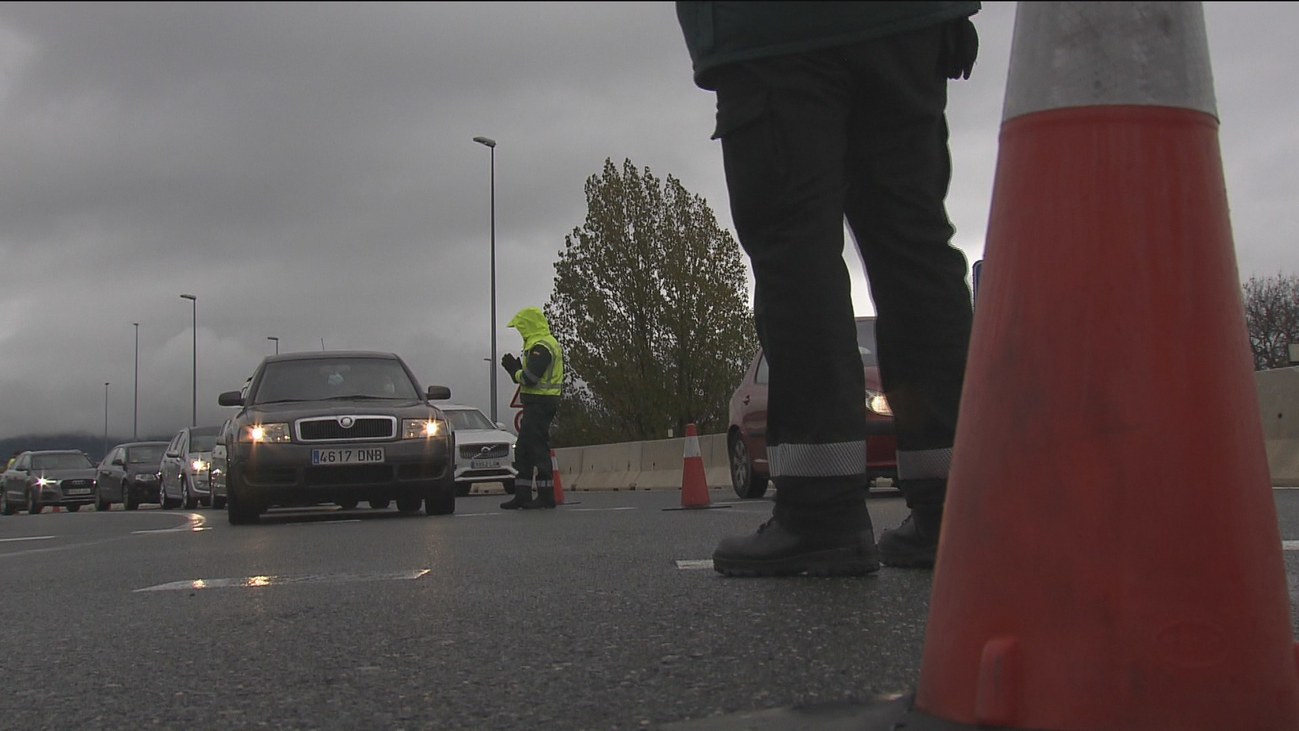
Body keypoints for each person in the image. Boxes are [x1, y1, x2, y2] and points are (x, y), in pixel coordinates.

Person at [675, 2, 979, 575]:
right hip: (906, 24)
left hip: (775, 33)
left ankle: (822, 509)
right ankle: (956, 505)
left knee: (796, 253)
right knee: (915, 246)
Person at [498, 306, 564, 510]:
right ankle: (522, 494)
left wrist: (514, 371)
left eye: (521, 327)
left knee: (537, 448)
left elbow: (530, 378)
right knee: (524, 449)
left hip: (540, 403)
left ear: (528, 325)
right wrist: (518, 371)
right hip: (536, 402)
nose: (520, 332)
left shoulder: (542, 346)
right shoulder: (538, 344)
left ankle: (546, 495)